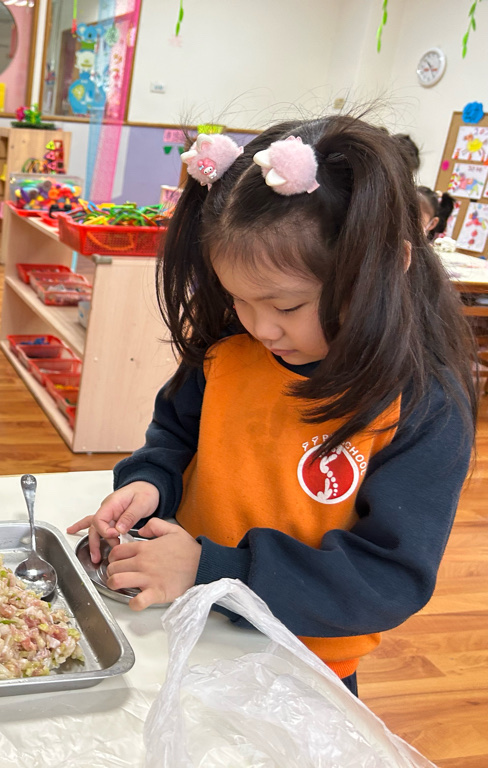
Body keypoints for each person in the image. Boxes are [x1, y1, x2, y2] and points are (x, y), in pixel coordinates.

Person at [68, 115, 478, 696]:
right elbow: (175, 438)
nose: (261, 328)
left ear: (386, 269)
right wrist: (150, 482)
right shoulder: (229, 353)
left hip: (302, 663)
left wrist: (214, 572)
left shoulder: (422, 406)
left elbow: (388, 579)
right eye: (239, 299)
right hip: (184, 620)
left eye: (287, 307)